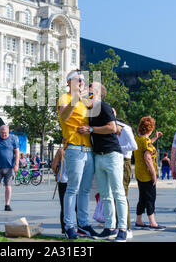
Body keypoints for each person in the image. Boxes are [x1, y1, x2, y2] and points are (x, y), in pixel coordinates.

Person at [78, 82, 129, 242]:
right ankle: (109, 227)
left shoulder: (104, 107)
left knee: (118, 193)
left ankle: (123, 229)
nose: (88, 88)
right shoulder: (91, 110)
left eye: (91, 86)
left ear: (98, 92)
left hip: (112, 154)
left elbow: (113, 128)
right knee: (105, 195)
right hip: (98, 155)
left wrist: (92, 129)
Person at [57, 69, 97, 240]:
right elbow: (64, 117)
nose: (82, 83)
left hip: (88, 148)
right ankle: (69, 226)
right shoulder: (65, 98)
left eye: (83, 80)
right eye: (78, 80)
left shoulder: (87, 101)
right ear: (69, 83)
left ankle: (83, 224)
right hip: (73, 147)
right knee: (72, 189)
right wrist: (75, 99)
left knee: (85, 190)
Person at [133, 116, 166, 231]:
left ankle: (139, 220)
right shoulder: (146, 141)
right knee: (151, 198)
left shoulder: (138, 139)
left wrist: (154, 138)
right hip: (147, 175)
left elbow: (145, 146)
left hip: (139, 173)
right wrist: (153, 174)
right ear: (151, 128)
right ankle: (152, 222)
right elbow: (147, 157)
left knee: (142, 197)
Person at [115, 118, 137, 239]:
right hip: (118, 160)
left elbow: (134, 146)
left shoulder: (126, 130)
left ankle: (127, 227)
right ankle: (119, 225)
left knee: (122, 195)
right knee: (116, 196)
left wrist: (117, 147)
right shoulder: (118, 131)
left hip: (124, 162)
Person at [52, 140, 68, 234]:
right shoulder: (78, 151)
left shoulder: (61, 151)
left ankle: (64, 228)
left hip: (63, 180)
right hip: (74, 181)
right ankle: (79, 227)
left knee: (64, 206)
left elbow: (54, 166)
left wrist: (57, 174)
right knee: (76, 207)